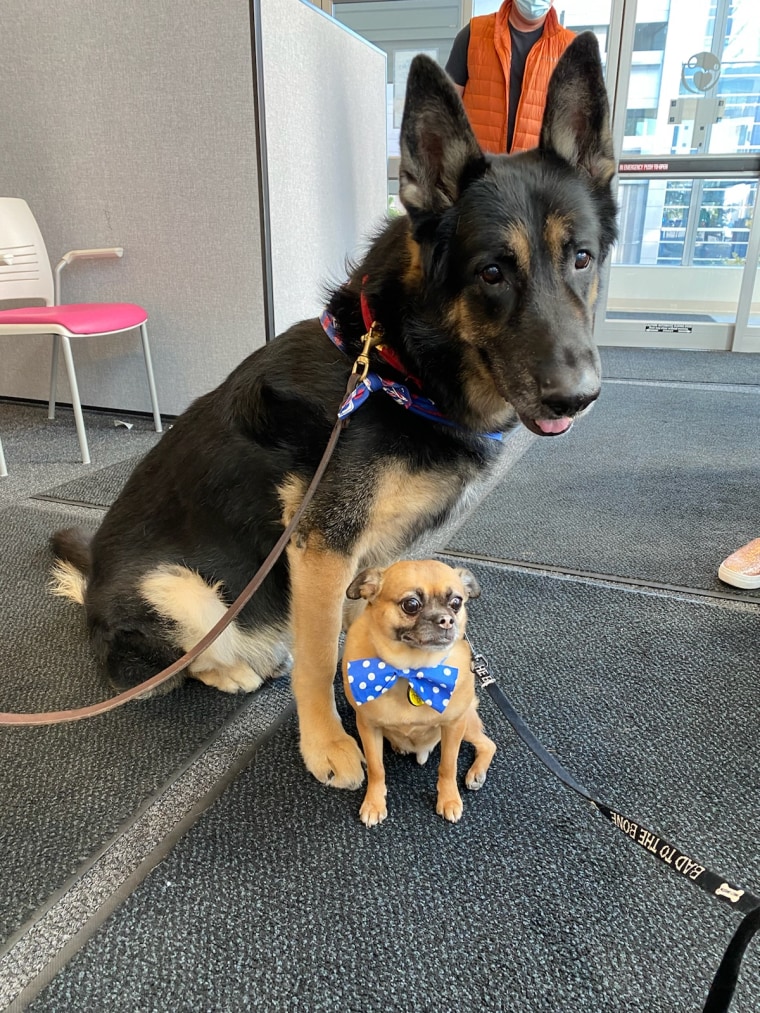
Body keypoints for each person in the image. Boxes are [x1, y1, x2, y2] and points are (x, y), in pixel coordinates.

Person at [445, 0, 575, 154]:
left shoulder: (570, 47)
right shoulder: (473, 34)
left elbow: (573, 125)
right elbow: (447, 107)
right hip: (477, 168)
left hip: (535, 173)